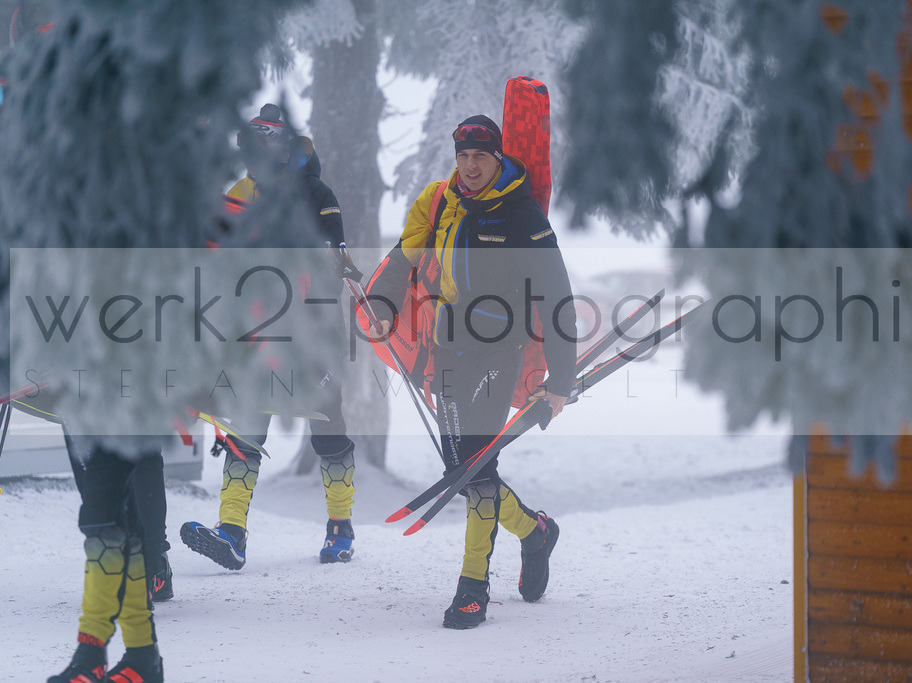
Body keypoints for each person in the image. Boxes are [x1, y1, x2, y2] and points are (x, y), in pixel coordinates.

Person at [366, 115, 576, 629]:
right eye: (463, 156)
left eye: (480, 156)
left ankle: (471, 587)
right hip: (447, 347)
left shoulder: (522, 214)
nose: (471, 166)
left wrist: (561, 382)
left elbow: (556, 296)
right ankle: (535, 531)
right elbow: (406, 256)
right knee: (464, 470)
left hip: (499, 352)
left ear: (497, 156)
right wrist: (383, 304)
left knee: (476, 468)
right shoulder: (441, 202)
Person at [181, 104, 358, 568]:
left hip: (313, 331)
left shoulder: (317, 193)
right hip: (254, 332)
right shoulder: (240, 192)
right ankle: (232, 532)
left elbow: (334, 263)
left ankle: (340, 526)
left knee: (327, 430)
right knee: (246, 423)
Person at [48, 437, 165, 683]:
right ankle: (142, 653)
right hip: (77, 406)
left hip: (121, 405)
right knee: (111, 505)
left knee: (101, 507)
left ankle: (92, 652)